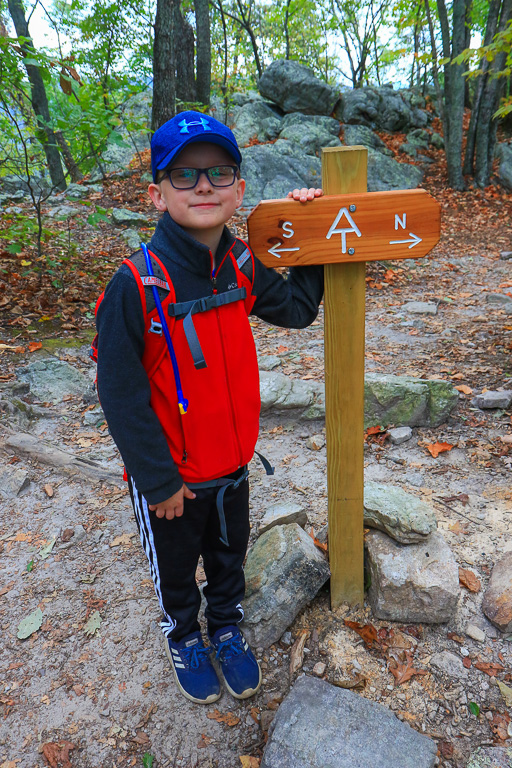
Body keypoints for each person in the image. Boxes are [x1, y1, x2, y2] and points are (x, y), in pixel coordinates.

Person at [96, 110, 324, 705]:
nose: (204, 186)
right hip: (170, 480)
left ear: (239, 190)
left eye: (219, 173)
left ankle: (225, 627)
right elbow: (118, 392)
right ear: (156, 194)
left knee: (228, 557)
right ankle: (184, 634)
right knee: (176, 573)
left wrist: (316, 231)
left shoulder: (242, 264)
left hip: (232, 466)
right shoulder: (136, 283)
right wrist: (157, 479)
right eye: (184, 175)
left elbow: (298, 309)